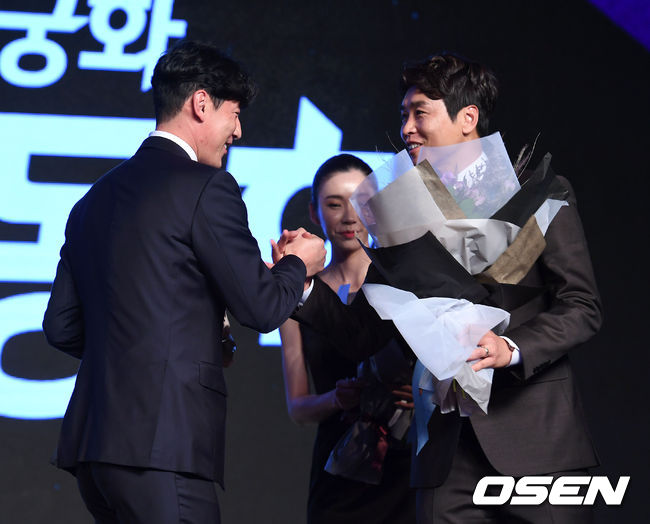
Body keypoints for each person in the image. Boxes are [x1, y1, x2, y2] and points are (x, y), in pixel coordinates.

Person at [290, 53, 602, 523]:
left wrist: (511, 348)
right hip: (444, 453)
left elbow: (581, 305)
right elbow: (364, 332)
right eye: (403, 115)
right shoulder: (399, 213)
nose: (407, 129)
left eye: (420, 113)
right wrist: (300, 285)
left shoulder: (539, 194)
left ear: (467, 119)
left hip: (539, 445)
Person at [42, 40, 325, 523]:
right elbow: (261, 308)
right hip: (163, 446)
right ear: (201, 103)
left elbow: (61, 327)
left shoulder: (93, 199)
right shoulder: (208, 187)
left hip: (94, 451)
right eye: (235, 114)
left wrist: (173, 344)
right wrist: (298, 264)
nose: (238, 131)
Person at [279, 154, 416, 524]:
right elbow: (298, 407)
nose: (349, 217)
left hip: (407, 467)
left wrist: (425, 393)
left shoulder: (407, 282)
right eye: (334, 204)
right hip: (339, 473)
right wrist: (336, 399)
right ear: (314, 212)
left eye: (361, 201)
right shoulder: (300, 294)